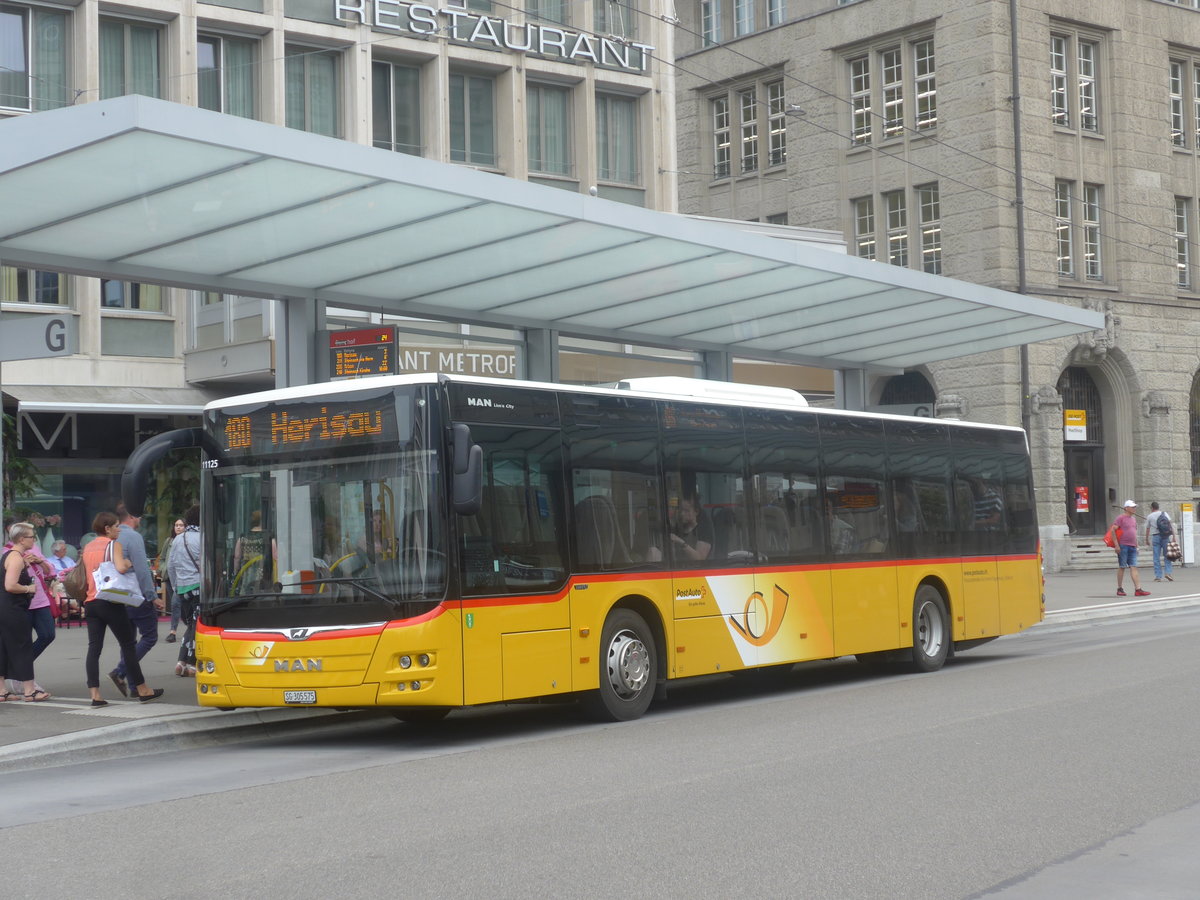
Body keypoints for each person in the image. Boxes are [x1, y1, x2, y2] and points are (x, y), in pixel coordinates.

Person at [81, 512, 164, 706]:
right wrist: (128, 562)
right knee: (128, 645)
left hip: (91, 601)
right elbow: (121, 568)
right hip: (110, 601)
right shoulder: (113, 545)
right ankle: (143, 689)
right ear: (107, 528)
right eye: (116, 526)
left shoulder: (88, 547)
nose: (119, 529)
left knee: (94, 648)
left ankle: (95, 694)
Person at [107, 503, 162, 697]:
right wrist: (152, 595)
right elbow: (142, 569)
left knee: (127, 642)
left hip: (116, 595)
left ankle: (134, 686)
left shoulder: (110, 537)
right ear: (131, 516)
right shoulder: (133, 537)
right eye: (138, 515)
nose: (140, 519)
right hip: (135, 594)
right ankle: (120, 671)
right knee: (150, 636)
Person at [1, 522, 51, 702]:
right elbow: (10, 585)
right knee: (22, 647)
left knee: (4, 647)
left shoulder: (9, 555)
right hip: (14, 608)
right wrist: (28, 589)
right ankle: (30, 690)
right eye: (32, 536)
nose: (34, 539)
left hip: (5, 607)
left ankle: (2, 691)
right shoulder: (15, 557)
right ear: (22, 539)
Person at [167, 504, 201, 678]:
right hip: (197, 587)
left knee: (190, 625)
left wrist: (175, 587)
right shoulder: (202, 538)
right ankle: (191, 663)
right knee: (197, 626)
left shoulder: (178, 539)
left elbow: (171, 566)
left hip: (181, 588)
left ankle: (181, 661)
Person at [1110, 500, 1150, 598]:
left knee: (1134, 566)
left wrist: (1137, 546)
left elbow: (1134, 533)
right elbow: (1113, 530)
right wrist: (1116, 545)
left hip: (1132, 546)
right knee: (1122, 566)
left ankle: (1138, 589)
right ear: (1126, 508)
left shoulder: (1133, 519)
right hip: (1123, 545)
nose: (1134, 509)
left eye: (1135, 507)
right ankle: (1119, 588)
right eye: (1132, 507)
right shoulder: (1120, 518)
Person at [160, 517, 185, 642]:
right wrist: (163, 568)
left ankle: (172, 632)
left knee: (176, 603)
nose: (178, 527)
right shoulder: (169, 541)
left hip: (182, 577)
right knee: (176, 603)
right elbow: (163, 557)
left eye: (181, 525)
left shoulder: (186, 541)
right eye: (176, 525)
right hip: (169, 577)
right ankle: (189, 627)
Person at [669, 494, 712, 561]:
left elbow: (700, 558)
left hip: (696, 570)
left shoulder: (703, 530)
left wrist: (681, 542)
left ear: (696, 512)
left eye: (686, 511)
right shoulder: (678, 529)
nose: (682, 514)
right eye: (681, 510)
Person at [1144, 501, 1175, 583]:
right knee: (1167, 555)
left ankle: (1158, 576)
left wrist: (1146, 539)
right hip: (1165, 536)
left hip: (1156, 537)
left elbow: (1148, 528)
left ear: (1152, 508)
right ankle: (1168, 573)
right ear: (1158, 507)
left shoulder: (1150, 516)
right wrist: (1174, 536)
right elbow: (1170, 525)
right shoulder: (1164, 514)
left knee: (1156, 557)